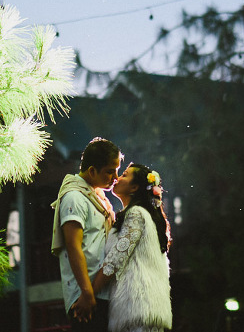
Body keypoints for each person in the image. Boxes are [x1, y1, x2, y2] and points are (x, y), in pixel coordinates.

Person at [51, 137, 122, 332]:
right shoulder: (74, 196)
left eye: (116, 170)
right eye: (109, 171)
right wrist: (87, 292)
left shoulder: (97, 196)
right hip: (86, 297)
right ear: (92, 171)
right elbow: (74, 246)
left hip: (101, 292)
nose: (115, 177)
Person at [92, 163, 172, 332]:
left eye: (125, 175)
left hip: (139, 308)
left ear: (134, 187)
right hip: (140, 308)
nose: (118, 178)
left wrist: (89, 294)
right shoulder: (139, 215)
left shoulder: (136, 214)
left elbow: (116, 259)